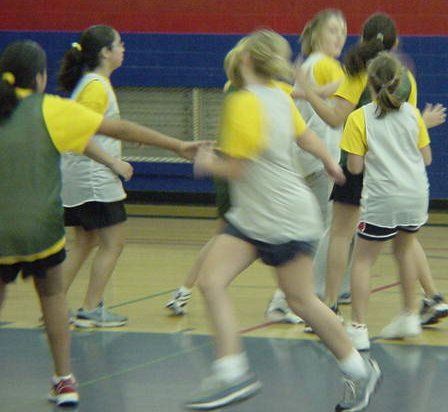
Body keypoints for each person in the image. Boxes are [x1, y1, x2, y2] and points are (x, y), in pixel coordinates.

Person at [184, 29, 380, 412]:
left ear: (244, 61)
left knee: (293, 298)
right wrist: (329, 162)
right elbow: (307, 138)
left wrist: (207, 163)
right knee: (237, 285)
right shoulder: (279, 95)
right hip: (266, 215)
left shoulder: (242, 102)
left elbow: (237, 168)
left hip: (277, 217)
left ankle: (235, 371)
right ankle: (354, 369)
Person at [0, 40, 200, 407]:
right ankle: (64, 380)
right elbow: (120, 129)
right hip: (39, 230)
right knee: (53, 297)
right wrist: (177, 146)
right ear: (41, 77)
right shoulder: (51, 109)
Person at [295, 13, 447, 340]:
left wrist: (308, 93)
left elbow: (335, 117)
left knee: (341, 235)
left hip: (359, 160)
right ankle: (429, 297)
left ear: (362, 37)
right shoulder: (406, 77)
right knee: (405, 240)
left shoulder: (356, 71)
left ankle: (331, 307)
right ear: (395, 42)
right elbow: (406, 124)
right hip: (396, 171)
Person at [166, 38, 303, 324]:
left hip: (236, 171)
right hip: (241, 173)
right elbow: (300, 94)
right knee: (255, 237)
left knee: (231, 237)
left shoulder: (239, 88)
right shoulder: (255, 92)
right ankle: (282, 301)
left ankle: (184, 290)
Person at [341, 52, 431, 347]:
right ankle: (409, 314)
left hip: (383, 197)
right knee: (404, 251)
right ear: (399, 81)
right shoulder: (413, 114)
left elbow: (355, 168)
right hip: (416, 194)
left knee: (363, 260)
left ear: (369, 83)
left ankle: (358, 328)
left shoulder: (359, 117)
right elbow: (426, 158)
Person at [267, 9, 351, 327]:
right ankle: (289, 299)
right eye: (333, 30)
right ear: (316, 35)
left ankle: (302, 296)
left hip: (311, 159)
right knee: (321, 235)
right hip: (320, 160)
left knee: (316, 232)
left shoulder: (315, 66)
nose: (340, 36)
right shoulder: (324, 65)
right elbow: (342, 103)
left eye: (343, 30)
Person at [58, 25, 132, 327]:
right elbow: (80, 135)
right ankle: (90, 308)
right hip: (93, 178)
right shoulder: (96, 87)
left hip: (79, 176)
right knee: (114, 242)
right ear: (105, 52)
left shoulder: (92, 84)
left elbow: (97, 128)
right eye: (119, 43)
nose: (123, 48)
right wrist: (114, 162)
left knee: (85, 241)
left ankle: (52, 306)